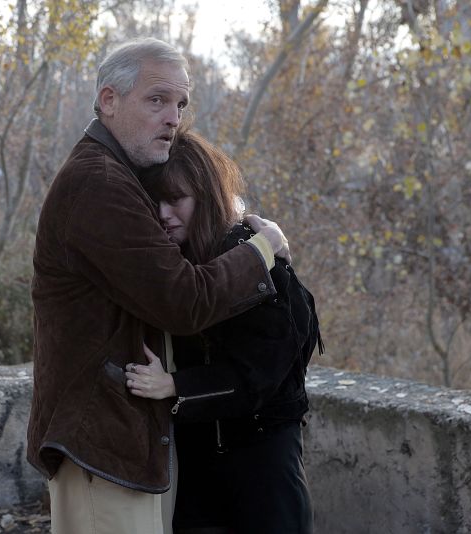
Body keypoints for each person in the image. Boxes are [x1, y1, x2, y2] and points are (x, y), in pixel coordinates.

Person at [26, 37, 292, 534]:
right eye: (157, 100)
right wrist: (262, 249)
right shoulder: (98, 184)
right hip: (100, 444)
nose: (174, 117)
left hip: (121, 442)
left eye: (181, 103)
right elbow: (183, 301)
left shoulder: (118, 177)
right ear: (109, 101)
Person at [125, 130, 322, 534]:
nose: (163, 212)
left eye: (176, 199)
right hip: (196, 459)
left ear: (206, 197)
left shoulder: (254, 259)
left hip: (263, 457)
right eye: (156, 201)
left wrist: (175, 386)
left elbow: (260, 377)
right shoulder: (174, 266)